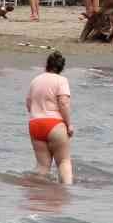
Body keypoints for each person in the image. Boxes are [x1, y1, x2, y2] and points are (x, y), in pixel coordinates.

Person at [26, 50, 74, 184]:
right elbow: (63, 103)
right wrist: (69, 124)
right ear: (61, 68)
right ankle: (67, 191)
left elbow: (28, 104)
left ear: (46, 65)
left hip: (35, 124)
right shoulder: (61, 80)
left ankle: (39, 194)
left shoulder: (35, 80)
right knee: (64, 161)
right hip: (54, 124)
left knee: (42, 166)